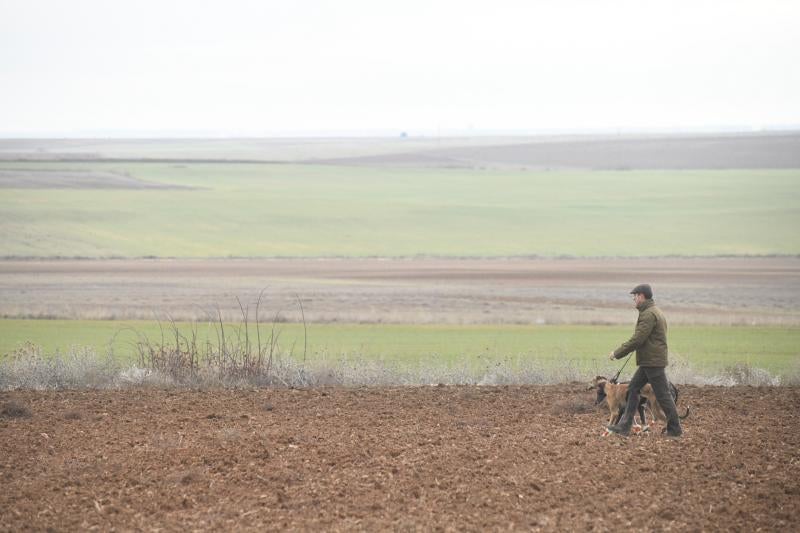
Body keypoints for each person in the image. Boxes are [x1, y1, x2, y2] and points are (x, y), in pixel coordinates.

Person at [606, 284, 683, 437]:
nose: (633, 299)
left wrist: (617, 353)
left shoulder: (648, 314)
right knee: (633, 389)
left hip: (652, 362)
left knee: (663, 395)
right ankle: (625, 426)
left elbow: (638, 339)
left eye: (634, 296)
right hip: (651, 361)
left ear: (641, 296)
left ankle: (675, 429)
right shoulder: (655, 311)